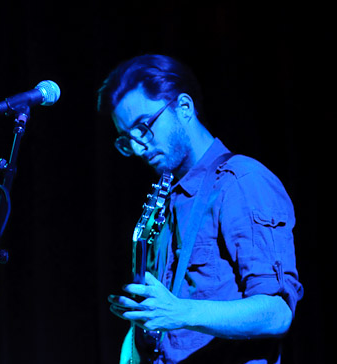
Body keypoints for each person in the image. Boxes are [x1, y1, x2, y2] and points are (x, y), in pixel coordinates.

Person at [97, 54, 303, 364]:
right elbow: (160, 318)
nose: (139, 148)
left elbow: (277, 314)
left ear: (184, 107)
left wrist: (179, 312)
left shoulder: (242, 181)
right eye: (127, 140)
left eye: (144, 127)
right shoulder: (166, 198)